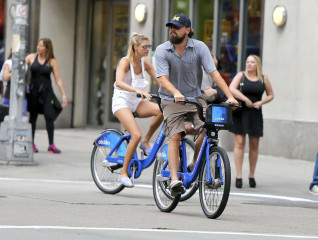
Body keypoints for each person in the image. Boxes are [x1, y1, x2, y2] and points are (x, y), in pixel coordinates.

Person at [155, 14, 237, 197]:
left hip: (194, 98)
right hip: (170, 99)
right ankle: (175, 179)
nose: (172, 30)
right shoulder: (162, 50)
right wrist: (175, 92)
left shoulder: (199, 47)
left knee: (210, 128)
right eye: (171, 27)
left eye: (176, 27)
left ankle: (194, 162)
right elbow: (162, 79)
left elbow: (214, 73)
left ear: (187, 30)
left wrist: (230, 96)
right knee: (175, 135)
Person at [112, 33, 163, 187]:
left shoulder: (145, 63)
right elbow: (119, 82)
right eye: (144, 47)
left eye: (149, 46)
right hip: (121, 101)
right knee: (135, 135)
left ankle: (146, 142)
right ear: (136, 48)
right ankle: (123, 174)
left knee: (161, 111)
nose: (148, 49)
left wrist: (174, 93)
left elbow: (160, 81)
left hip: (136, 101)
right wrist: (137, 90)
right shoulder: (125, 62)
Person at [229, 55, 274, 188]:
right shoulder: (241, 75)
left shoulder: (263, 78)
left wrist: (261, 102)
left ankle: (252, 175)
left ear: (257, 64)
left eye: (252, 62)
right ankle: (238, 176)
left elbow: (271, 94)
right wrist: (245, 99)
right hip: (241, 112)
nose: (249, 64)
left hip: (255, 113)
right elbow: (232, 88)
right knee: (240, 142)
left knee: (254, 144)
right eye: (247, 61)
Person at [25, 38, 67, 153]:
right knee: (32, 117)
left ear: (47, 48)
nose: (38, 47)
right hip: (34, 92)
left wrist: (63, 95)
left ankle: (51, 145)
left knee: (49, 116)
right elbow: (21, 70)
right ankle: (31, 143)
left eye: (41, 46)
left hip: (47, 92)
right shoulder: (31, 58)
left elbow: (58, 79)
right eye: (38, 45)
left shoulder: (51, 61)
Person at [1, 48, 28, 116]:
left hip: (21, 95)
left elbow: (23, 75)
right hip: (9, 94)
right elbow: (6, 77)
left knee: (22, 117)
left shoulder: (25, 65)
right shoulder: (8, 63)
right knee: (5, 117)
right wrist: (17, 70)